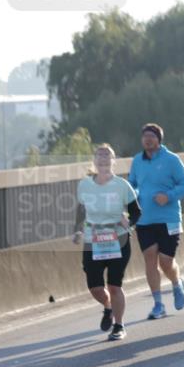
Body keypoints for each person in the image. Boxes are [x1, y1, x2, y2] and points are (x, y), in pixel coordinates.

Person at [73, 144, 140, 341]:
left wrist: (130, 224)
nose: (103, 159)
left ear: (113, 161)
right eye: (99, 155)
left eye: (107, 156)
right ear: (94, 161)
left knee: (114, 285)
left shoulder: (122, 185)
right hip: (92, 240)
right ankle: (108, 306)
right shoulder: (84, 184)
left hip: (118, 239)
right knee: (95, 287)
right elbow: (81, 211)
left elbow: (136, 212)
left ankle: (119, 325)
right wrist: (77, 230)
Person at [128, 123, 184, 319]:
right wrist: (134, 194)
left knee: (166, 262)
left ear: (159, 139)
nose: (148, 139)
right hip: (144, 220)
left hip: (168, 218)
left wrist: (169, 196)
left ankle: (176, 283)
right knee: (150, 258)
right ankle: (158, 304)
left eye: (152, 136)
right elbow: (132, 184)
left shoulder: (172, 160)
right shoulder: (137, 161)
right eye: (145, 136)